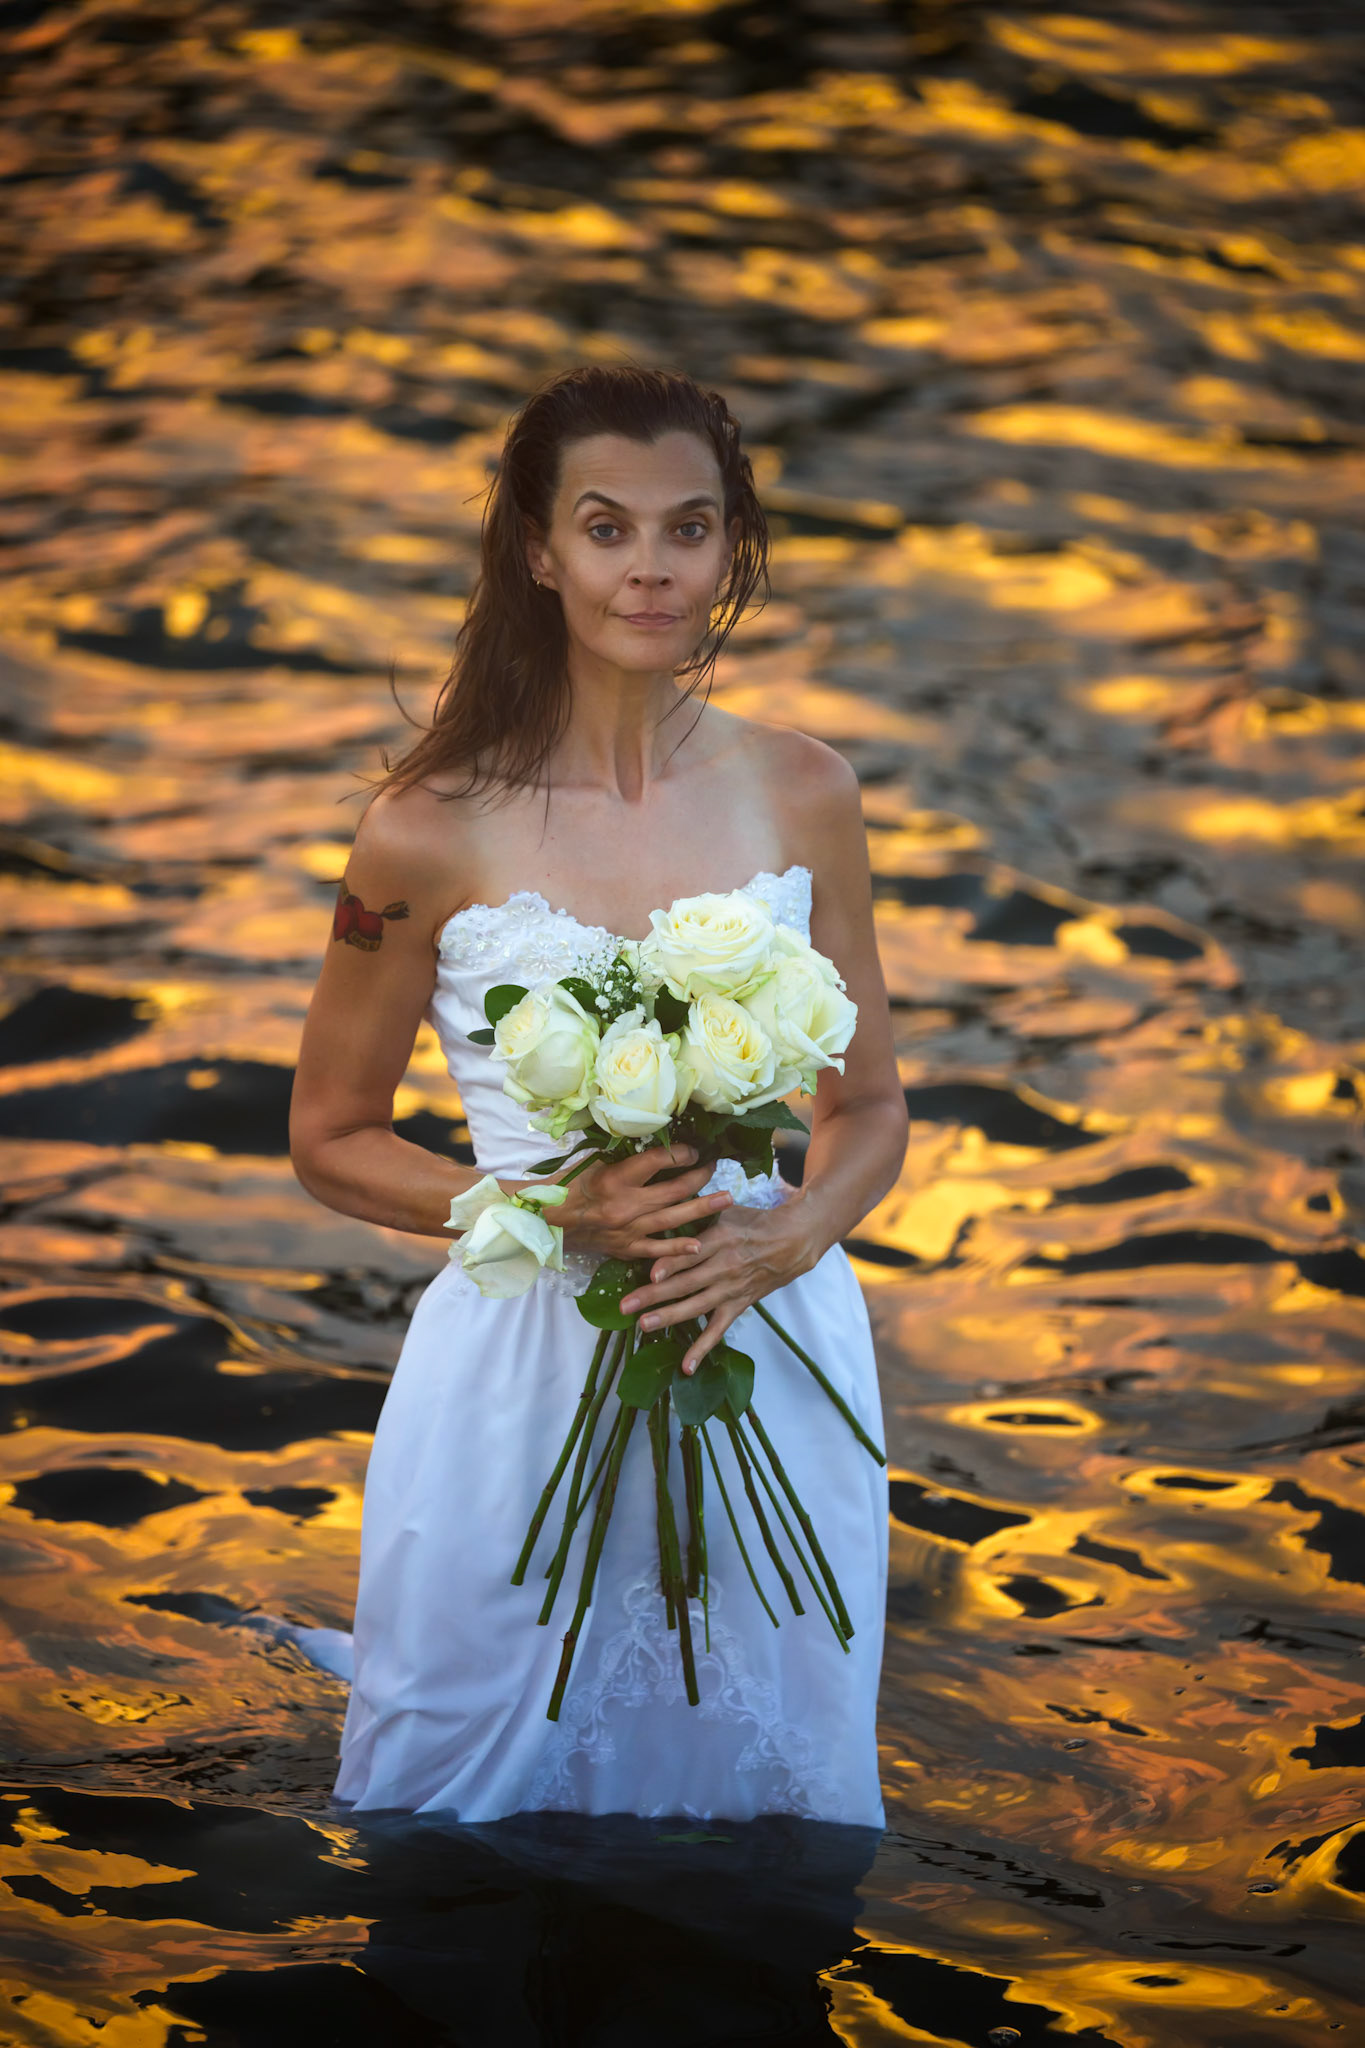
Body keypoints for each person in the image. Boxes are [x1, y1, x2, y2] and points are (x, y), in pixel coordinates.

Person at [288, 364, 909, 1824]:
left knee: (763, 1800)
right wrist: (543, 1209)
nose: (649, 569)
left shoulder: (804, 790)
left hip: (763, 1327)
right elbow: (326, 1139)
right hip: (518, 1359)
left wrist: (793, 1236)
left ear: (730, 548)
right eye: (607, 527)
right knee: (464, 1790)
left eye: (686, 529)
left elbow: (867, 1106)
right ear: (537, 549)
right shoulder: (423, 829)